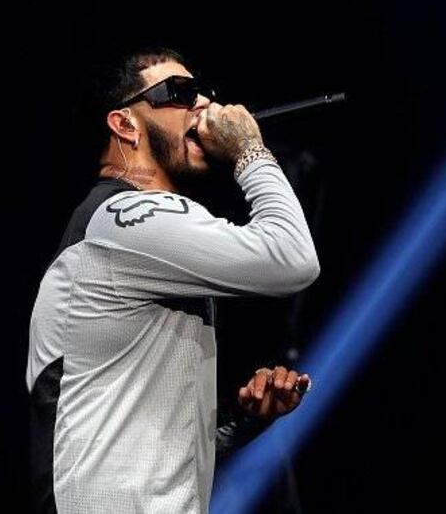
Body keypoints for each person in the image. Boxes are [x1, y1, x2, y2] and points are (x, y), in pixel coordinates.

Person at [25, 47, 320, 514]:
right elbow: (292, 258)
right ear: (125, 125)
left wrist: (244, 419)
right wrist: (249, 150)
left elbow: (149, 450)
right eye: (179, 92)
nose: (204, 103)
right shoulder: (123, 217)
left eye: (203, 91)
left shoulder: (140, 240)